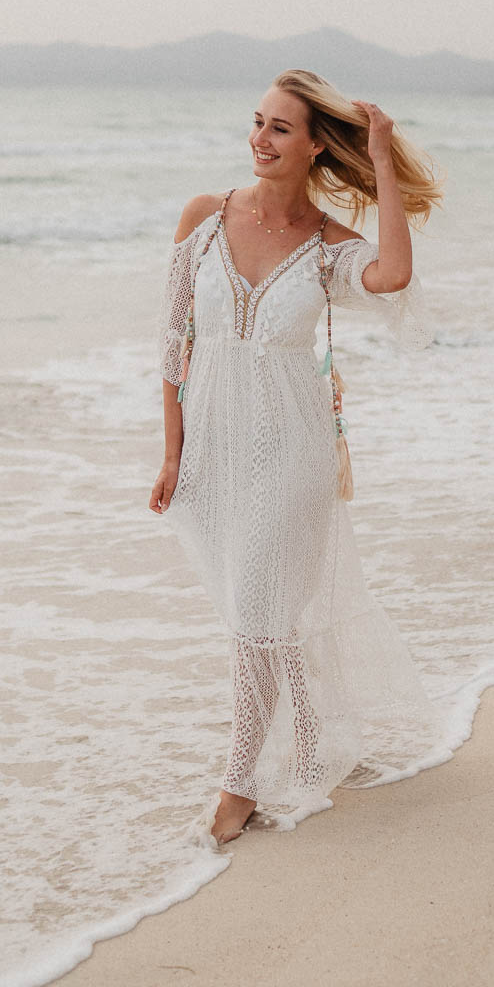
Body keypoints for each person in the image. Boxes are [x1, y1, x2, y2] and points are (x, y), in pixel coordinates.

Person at [148, 69, 440, 845]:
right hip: (211, 446)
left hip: (292, 449)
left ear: (316, 146)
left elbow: (394, 274)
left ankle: (238, 783)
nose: (259, 138)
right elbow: (173, 341)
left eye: (281, 128)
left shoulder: (325, 246)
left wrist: (380, 158)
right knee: (256, 612)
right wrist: (173, 452)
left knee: (257, 615)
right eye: (257, 121)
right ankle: (313, 742)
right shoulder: (204, 219)